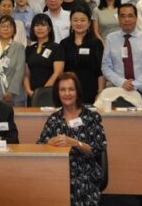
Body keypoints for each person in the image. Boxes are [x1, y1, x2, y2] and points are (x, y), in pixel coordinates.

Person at [36, 73, 107, 206]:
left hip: (85, 171)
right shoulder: (54, 118)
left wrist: (75, 143)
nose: (67, 93)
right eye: (63, 90)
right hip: (57, 170)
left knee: (74, 185)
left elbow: (97, 149)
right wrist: (48, 143)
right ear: (58, 93)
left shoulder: (91, 117)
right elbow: (39, 146)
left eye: (71, 89)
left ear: (77, 92)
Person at [101, 4, 142, 107]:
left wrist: (135, 84)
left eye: (130, 16)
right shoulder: (111, 39)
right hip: (119, 92)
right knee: (121, 123)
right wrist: (122, 82)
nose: (126, 19)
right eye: (123, 16)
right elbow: (105, 67)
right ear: (118, 19)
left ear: (136, 18)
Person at [61, 7, 104, 104]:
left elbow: (100, 71)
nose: (79, 23)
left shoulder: (96, 43)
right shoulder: (64, 43)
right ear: (71, 23)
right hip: (68, 91)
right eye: (75, 20)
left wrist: (100, 92)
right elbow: (61, 71)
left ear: (89, 23)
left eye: (83, 20)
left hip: (90, 90)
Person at [24, 13, 64, 99]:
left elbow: (58, 73)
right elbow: (26, 74)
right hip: (32, 94)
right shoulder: (29, 49)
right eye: (37, 25)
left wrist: (42, 92)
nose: (39, 28)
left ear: (49, 29)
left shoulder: (56, 48)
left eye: (43, 25)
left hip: (50, 93)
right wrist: (29, 91)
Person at [0, 16, 27, 107]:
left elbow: (20, 71)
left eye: (9, 26)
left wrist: (11, 91)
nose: (6, 29)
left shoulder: (19, 47)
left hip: (16, 94)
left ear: (14, 30)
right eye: (3, 26)